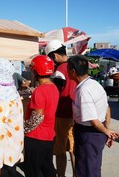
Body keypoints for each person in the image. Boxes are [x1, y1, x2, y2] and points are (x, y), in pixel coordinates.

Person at [67, 55, 119, 177]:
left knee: (87, 170)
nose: (66, 72)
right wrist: (106, 130)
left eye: (67, 69)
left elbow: (93, 121)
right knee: (93, 168)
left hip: (88, 135)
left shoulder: (84, 91)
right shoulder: (95, 84)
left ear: (73, 72)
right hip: (96, 133)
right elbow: (107, 108)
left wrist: (106, 131)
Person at [23, 55, 59, 177]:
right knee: (48, 168)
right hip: (49, 136)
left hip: (36, 138)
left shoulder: (40, 90)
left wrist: (23, 129)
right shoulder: (53, 87)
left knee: (33, 171)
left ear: (35, 71)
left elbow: (37, 117)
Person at [45, 39, 77, 177]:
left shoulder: (59, 70)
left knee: (60, 151)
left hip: (62, 114)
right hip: (76, 113)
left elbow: (55, 93)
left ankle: (61, 175)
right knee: (73, 149)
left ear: (54, 55)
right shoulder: (75, 66)